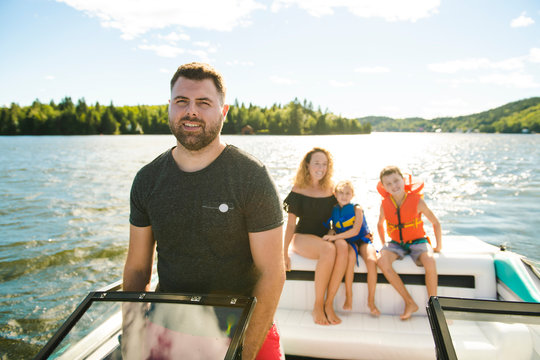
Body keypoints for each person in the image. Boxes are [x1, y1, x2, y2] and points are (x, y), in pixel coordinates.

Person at [123, 62, 286, 360]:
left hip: (244, 328)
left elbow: (272, 273)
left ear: (223, 112)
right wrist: (131, 337)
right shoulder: (147, 179)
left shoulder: (251, 177)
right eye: (181, 101)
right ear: (169, 108)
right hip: (169, 328)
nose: (191, 111)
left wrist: (243, 353)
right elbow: (136, 270)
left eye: (204, 103)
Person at [283, 147, 348, 325]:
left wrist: (334, 232)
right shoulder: (298, 189)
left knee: (342, 247)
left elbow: (340, 217)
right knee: (328, 249)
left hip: (324, 237)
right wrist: (283, 253)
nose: (321, 167)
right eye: (317, 163)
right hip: (301, 237)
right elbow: (290, 225)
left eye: (324, 164)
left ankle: (329, 304)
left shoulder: (332, 190)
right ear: (308, 165)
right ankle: (317, 306)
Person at [376, 166, 442, 320]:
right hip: (396, 243)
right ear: (384, 187)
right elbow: (380, 224)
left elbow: (435, 223)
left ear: (403, 180)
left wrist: (438, 246)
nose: (394, 186)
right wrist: (383, 244)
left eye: (396, 181)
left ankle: (434, 307)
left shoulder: (417, 201)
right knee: (382, 261)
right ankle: (409, 302)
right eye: (389, 184)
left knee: (430, 261)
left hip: (418, 241)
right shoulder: (384, 204)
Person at [322, 180, 380, 316]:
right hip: (349, 242)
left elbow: (355, 231)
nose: (344, 196)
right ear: (335, 194)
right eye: (341, 193)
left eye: (347, 193)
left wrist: (335, 237)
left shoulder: (357, 208)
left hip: (362, 240)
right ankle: (349, 296)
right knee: (350, 259)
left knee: (372, 261)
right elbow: (331, 227)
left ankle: (371, 301)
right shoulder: (334, 209)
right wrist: (331, 234)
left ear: (352, 195)